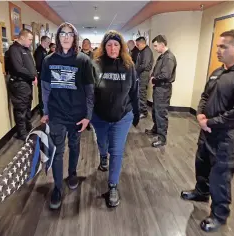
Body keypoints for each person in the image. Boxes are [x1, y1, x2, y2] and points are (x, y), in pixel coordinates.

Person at [181, 30, 234, 232]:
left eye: (223, 46)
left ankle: (219, 215)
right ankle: (201, 192)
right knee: (202, 164)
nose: (218, 50)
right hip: (206, 130)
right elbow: (205, 96)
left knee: (221, 176)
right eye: (217, 45)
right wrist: (200, 114)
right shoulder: (218, 72)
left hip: (226, 136)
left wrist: (211, 122)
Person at [40, 22, 95, 210]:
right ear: (58, 37)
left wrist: (88, 116)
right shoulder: (48, 60)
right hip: (56, 114)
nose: (65, 37)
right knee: (57, 151)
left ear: (75, 38)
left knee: (74, 145)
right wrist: (45, 112)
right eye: (62, 34)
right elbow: (45, 89)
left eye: (70, 34)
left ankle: (72, 173)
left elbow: (90, 91)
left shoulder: (83, 61)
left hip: (77, 115)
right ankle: (56, 187)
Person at [91, 30, 140, 207]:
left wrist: (136, 112)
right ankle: (103, 156)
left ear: (121, 47)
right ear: (104, 47)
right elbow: (90, 93)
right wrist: (87, 114)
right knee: (103, 143)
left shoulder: (129, 66)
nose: (113, 48)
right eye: (109, 45)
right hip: (99, 116)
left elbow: (134, 92)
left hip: (122, 116)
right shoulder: (96, 65)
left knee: (117, 150)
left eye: (116, 45)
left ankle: (113, 186)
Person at [146, 35, 177, 147]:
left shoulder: (168, 58)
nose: (154, 48)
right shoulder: (162, 57)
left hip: (163, 89)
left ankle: (162, 138)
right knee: (155, 111)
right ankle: (155, 129)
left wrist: (154, 78)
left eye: (155, 46)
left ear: (162, 44)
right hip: (158, 88)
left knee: (161, 113)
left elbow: (166, 75)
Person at [7, 29, 38, 140]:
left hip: (26, 83)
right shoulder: (14, 49)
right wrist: (32, 76)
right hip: (19, 84)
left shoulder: (25, 49)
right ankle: (22, 133)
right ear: (23, 37)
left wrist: (34, 76)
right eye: (29, 39)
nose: (30, 42)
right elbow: (19, 68)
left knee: (27, 106)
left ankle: (28, 127)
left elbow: (30, 66)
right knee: (21, 109)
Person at [135, 36, 153, 118]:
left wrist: (136, 70)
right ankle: (140, 110)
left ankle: (144, 112)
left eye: (138, 44)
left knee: (142, 93)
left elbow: (144, 65)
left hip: (144, 74)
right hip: (141, 73)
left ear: (142, 43)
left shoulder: (146, 51)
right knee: (140, 92)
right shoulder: (142, 51)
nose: (137, 46)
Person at [34, 36, 51, 116]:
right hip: (41, 76)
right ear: (44, 41)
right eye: (48, 42)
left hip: (45, 76)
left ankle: (46, 110)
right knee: (42, 94)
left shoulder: (44, 51)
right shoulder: (39, 51)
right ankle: (42, 112)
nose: (49, 44)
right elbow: (38, 65)